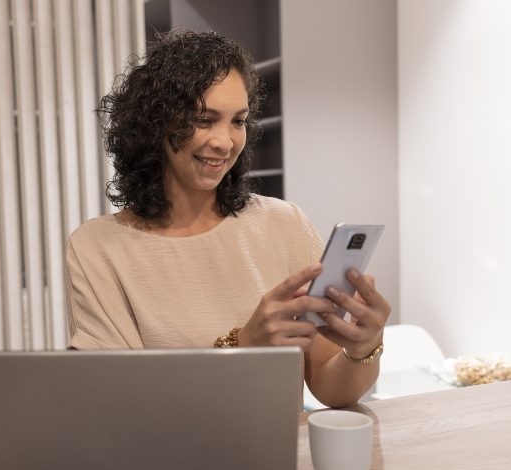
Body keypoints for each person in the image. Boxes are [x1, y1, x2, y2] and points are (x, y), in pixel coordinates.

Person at [64, 30, 391, 408]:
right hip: (168, 465)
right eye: (204, 119)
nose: (225, 141)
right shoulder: (97, 248)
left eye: (238, 121)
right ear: (155, 123)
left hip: (282, 459)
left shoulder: (285, 223)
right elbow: (115, 406)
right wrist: (243, 346)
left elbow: (331, 390)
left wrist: (364, 346)